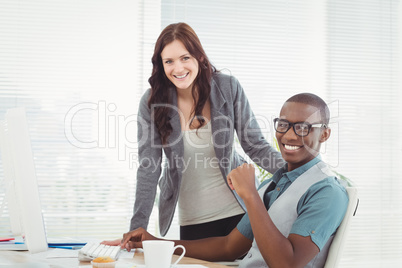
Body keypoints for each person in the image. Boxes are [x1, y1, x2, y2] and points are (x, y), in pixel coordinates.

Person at [120, 93, 349, 268]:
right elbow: (228, 247)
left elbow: (287, 265)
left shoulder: (327, 192)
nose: (289, 135)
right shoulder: (275, 184)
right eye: (283, 125)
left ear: (325, 134)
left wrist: (249, 194)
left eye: (303, 128)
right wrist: (153, 241)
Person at [112, 22, 284, 242]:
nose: (178, 68)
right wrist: (137, 227)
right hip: (194, 220)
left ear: (199, 57)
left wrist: (304, 173)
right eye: (169, 61)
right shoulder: (151, 102)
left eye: (185, 58)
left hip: (241, 211)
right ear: (161, 65)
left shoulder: (227, 87)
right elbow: (149, 168)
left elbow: (256, 146)